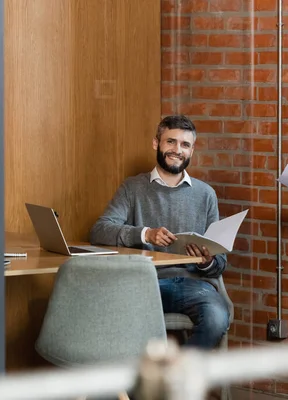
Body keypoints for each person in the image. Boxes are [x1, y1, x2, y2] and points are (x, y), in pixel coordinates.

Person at [89, 114, 229, 349]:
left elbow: (221, 262)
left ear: (192, 151)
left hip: (194, 285)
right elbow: (99, 231)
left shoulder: (206, 194)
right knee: (109, 316)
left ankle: (175, 379)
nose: (177, 150)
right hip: (144, 283)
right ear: (157, 144)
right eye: (170, 142)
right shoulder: (132, 188)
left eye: (185, 145)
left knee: (216, 318)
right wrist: (145, 234)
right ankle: (139, 383)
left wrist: (207, 261)